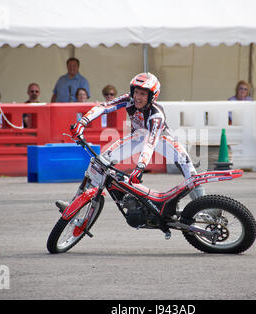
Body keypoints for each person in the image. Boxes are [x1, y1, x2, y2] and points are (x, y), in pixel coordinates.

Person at [56, 73, 206, 214]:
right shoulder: (129, 99)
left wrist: (140, 167)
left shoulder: (156, 115)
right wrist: (83, 122)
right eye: (136, 92)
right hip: (138, 137)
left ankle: (205, 209)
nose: (137, 97)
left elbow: (150, 143)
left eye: (142, 94)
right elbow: (104, 107)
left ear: (152, 96)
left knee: (190, 171)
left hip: (162, 139)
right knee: (99, 162)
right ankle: (74, 205)